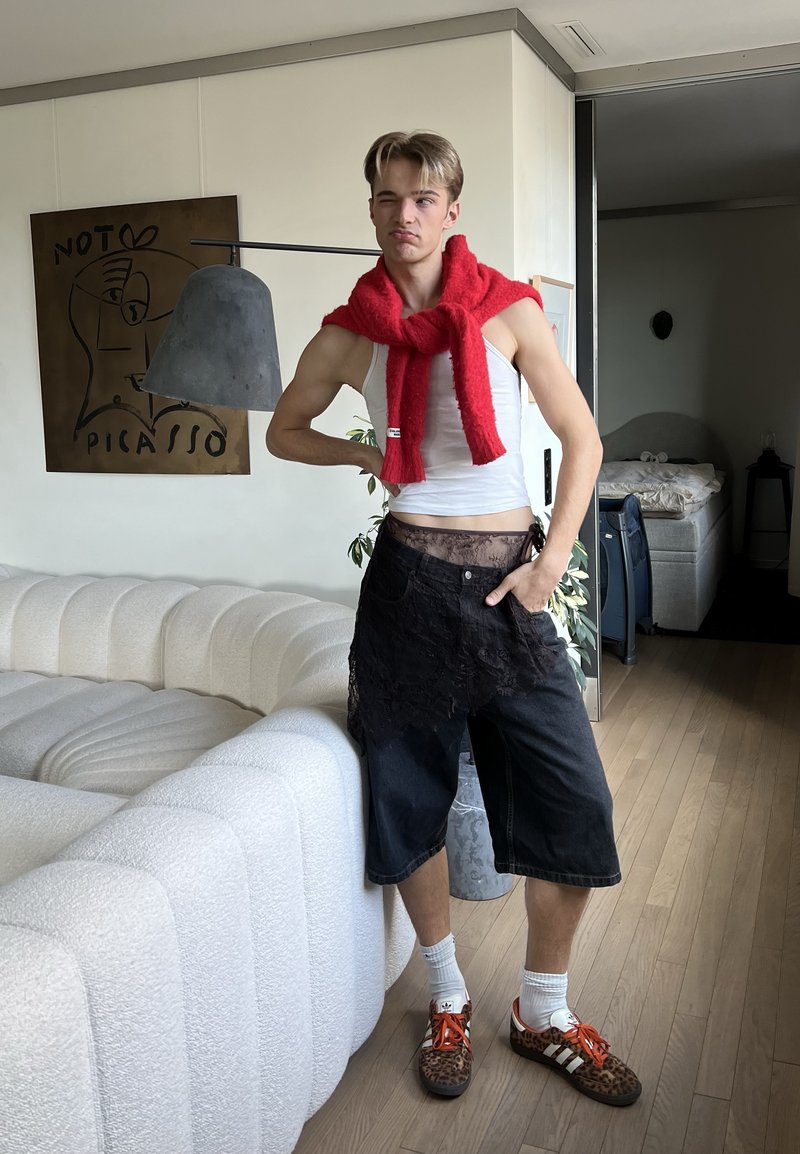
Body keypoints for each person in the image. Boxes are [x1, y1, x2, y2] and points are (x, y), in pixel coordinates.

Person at [267, 131, 641, 1108]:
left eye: (423, 198)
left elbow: (582, 438)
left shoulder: (506, 310)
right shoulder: (352, 331)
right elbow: (283, 429)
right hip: (406, 590)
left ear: (451, 210)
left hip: (507, 585)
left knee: (575, 801)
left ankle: (543, 1010)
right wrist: (364, 454)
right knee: (408, 800)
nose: (405, 215)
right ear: (372, 210)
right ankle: (446, 995)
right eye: (387, 199)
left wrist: (552, 562)